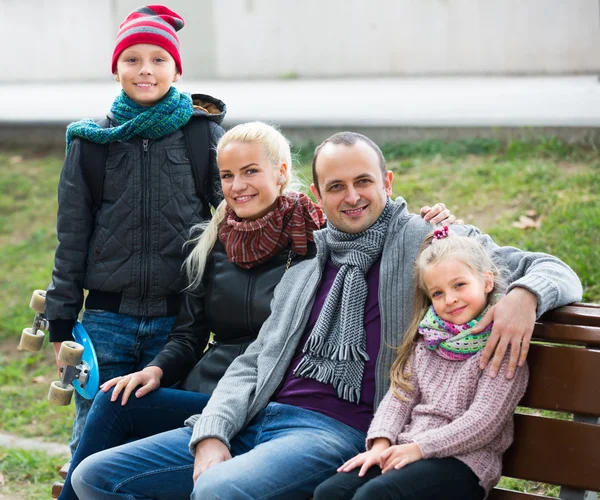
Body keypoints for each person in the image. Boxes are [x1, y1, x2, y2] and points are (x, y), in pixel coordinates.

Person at [69, 131, 582, 500]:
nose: (351, 196)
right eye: (335, 186)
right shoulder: (307, 268)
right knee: (94, 476)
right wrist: (210, 434)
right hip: (258, 417)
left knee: (222, 491)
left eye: (363, 181)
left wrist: (525, 297)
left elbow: (551, 268)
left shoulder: (428, 243)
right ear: (318, 194)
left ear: (387, 180)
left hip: (332, 431)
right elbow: (252, 365)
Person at [44, 4, 226, 458]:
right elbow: (72, 236)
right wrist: (61, 316)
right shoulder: (89, 143)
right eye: (132, 59)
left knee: (160, 441)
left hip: (177, 322)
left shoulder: (202, 136)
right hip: (105, 322)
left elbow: (235, 217)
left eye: (159, 59)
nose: (145, 70)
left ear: (177, 70)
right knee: (91, 438)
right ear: (116, 69)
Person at [313, 227, 529, 500]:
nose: (450, 299)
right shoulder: (428, 342)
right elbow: (399, 398)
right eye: (437, 293)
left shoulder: (502, 347)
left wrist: (419, 447)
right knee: (331, 492)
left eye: (459, 285)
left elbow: (483, 423)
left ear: (487, 282)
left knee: (377, 496)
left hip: (463, 463)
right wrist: (380, 445)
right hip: (409, 451)